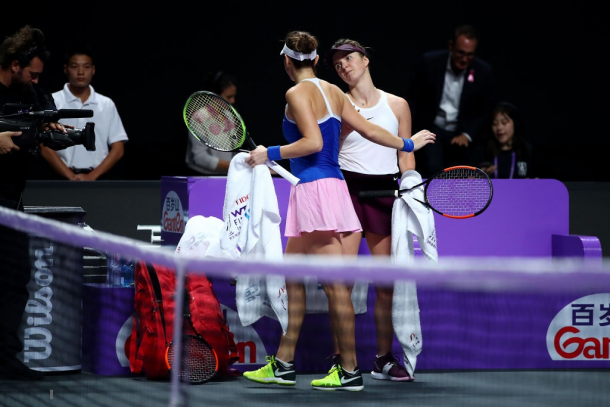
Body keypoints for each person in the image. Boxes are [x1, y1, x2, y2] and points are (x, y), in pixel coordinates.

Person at [241, 31, 435, 391]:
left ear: (286, 62)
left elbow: (311, 143)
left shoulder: (295, 93)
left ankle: (349, 370)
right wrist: (408, 143)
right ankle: (283, 362)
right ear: (315, 60)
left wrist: (269, 153)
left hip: (316, 191)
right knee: (293, 275)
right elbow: (372, 131)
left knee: (335, 287)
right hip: (331, 190)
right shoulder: (332, 91)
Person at [325, 38, 415, 381]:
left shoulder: (398, 105)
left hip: (383, 192)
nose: (343, 66)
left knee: (386, 284)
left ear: (365, 60)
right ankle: (340, 359)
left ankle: (383, 358)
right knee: (341, 283)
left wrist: (409, 181)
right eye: (337, 64)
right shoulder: (337, 103)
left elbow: (405, 153)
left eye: (348, 59)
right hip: (346, 189)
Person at [0, 25, 67, 380]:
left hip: (11, 204)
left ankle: (6, 360)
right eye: (32, 73)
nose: (36, 81)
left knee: (13, 280)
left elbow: (49, 129)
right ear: (14, 65)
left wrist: (57, 134)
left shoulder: (35, 95)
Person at [408, 24, 495, 178]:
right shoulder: (429, 63)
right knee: (433, 168)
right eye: (461, 53)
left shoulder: (483, 71)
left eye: (469, 55)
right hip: (432, 127)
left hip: (461, 131)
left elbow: (485, 110)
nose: (465, 59)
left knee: (465, 172)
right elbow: (414, 99)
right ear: (451, 46)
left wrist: (467, 134)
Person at [40, 42, 128, 181]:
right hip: (60, 179)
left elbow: (118, 148)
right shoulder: (52, 101)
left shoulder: (106, 104)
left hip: (98, 179)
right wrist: (70, 176)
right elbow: (43, 145)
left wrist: (92, 176)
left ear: (93, 70)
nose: (81, 72)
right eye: (75, 66)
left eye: (86, 67)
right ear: (65, 69)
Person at [184, 70, 238, 175]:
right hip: (201, 178)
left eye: (234, 96)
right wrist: (234, 166)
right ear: (215, 95)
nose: (233, 101)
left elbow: (234, 148)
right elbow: (199, 158)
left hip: (227, 177)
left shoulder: (229, 115)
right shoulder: (199, 118)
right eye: (228, 97)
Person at [471, 102, 534, 179]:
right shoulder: (482, 150)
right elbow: (470, 180)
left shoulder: (526, 150)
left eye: (504, 123)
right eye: (494, 123)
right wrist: (478, 176)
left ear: (515, 124)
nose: (499, 128)